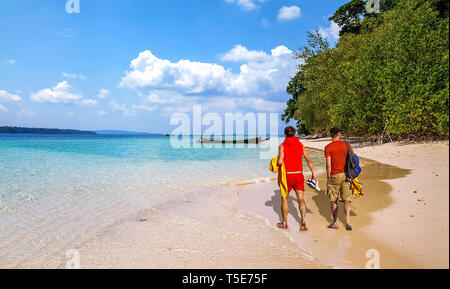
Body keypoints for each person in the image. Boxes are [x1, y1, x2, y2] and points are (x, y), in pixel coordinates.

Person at [277, 126, 317, 232]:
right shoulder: (300, 145)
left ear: (285, 134)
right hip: (298, 175)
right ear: (294, 134)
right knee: (301, 199)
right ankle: (303, 221)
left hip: (288, 176)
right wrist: (313, 173)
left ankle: (284, 222)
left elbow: (280, 162)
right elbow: (309, 160)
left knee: (284, 198)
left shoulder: (282, 146)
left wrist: (276, 163)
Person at [325, 127, 354, 231]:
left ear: (331, 135)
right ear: (339, 134)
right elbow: (352, 159)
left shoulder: (328, 147)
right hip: (346, 174)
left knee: (334, 200)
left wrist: (328, 177)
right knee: (347, 199)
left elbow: (328, 165)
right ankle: (347, 222)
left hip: (334, 175)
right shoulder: (347, 145)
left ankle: (335, 222)